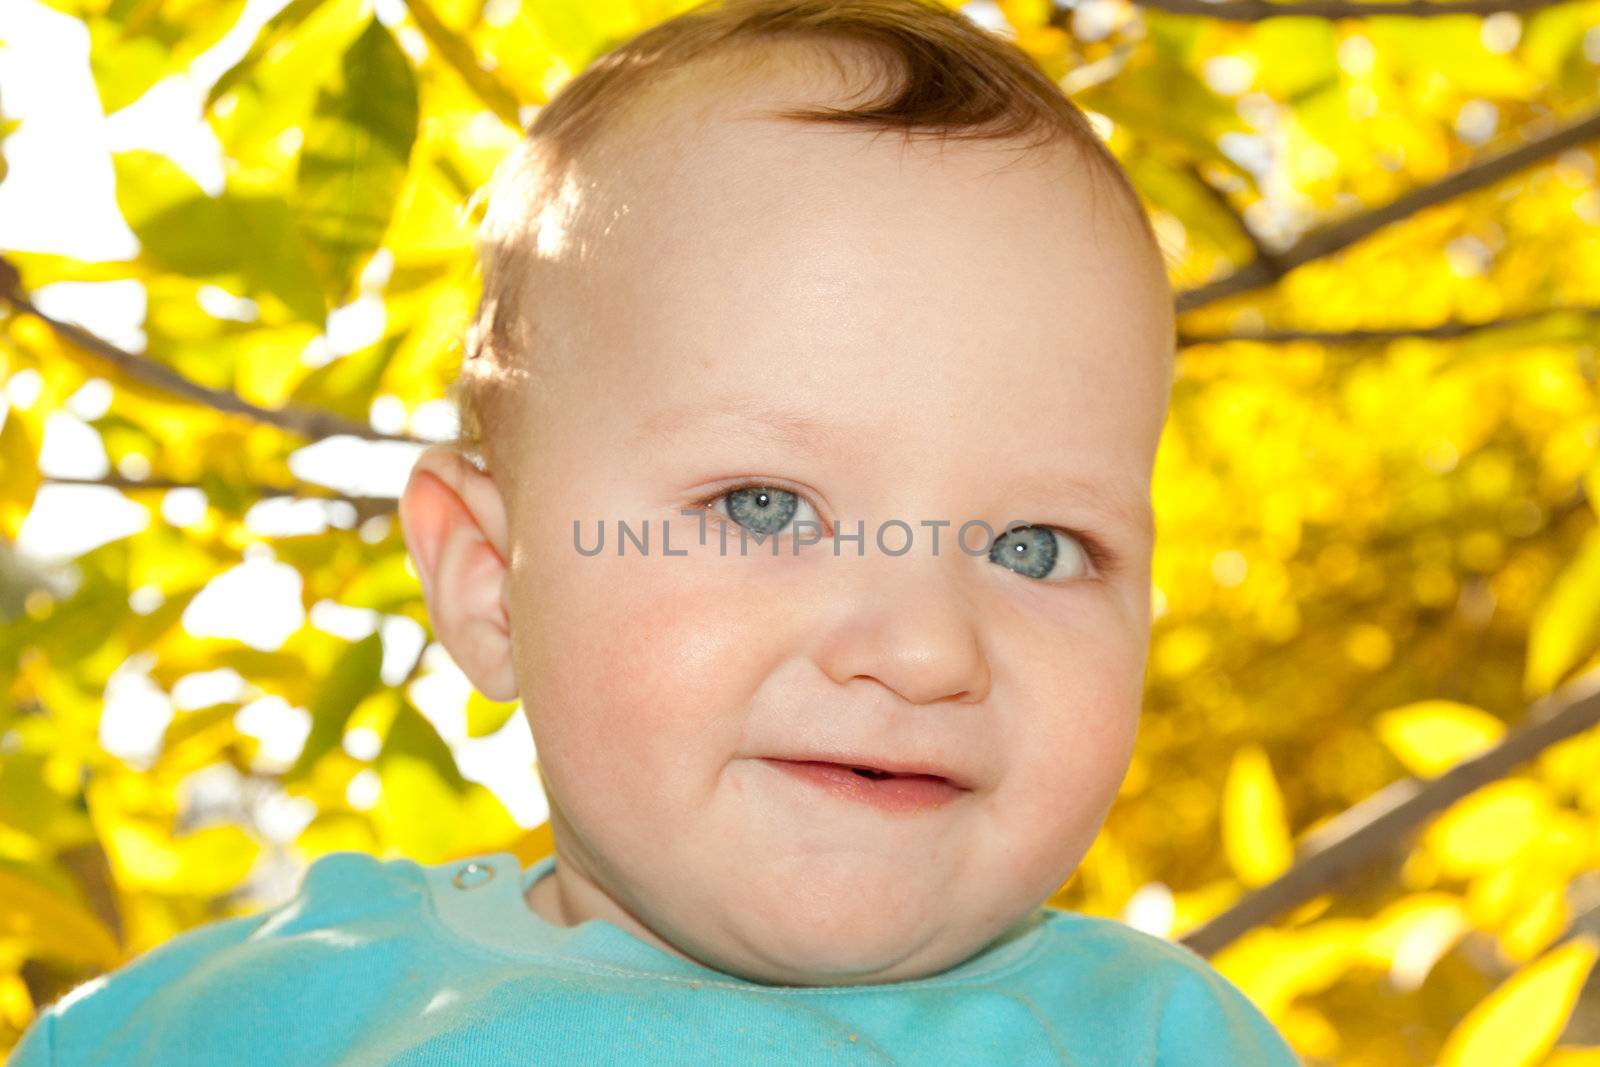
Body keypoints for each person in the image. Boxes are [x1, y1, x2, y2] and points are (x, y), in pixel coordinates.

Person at [9, 0, 1303, 1063]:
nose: (921, 649)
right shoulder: (232, 1027)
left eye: (1033, 546)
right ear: (488, 584)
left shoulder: (1155, 1040)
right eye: (764, 506)